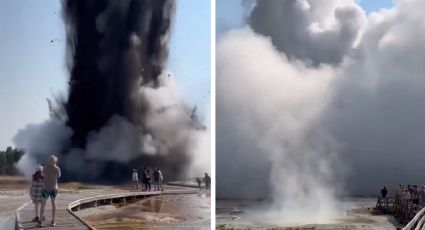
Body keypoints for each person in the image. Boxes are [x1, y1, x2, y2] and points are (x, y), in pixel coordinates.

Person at [39, 155, 61, 227]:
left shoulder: (44, 168)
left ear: (48, 160)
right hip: (54, 188)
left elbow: (42, 175)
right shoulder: (57, 168)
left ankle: (40, 221)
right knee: (53, 203)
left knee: (43, 204)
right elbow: (59, 176)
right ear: (55, 161)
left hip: (45, 188)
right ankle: (53, 221)